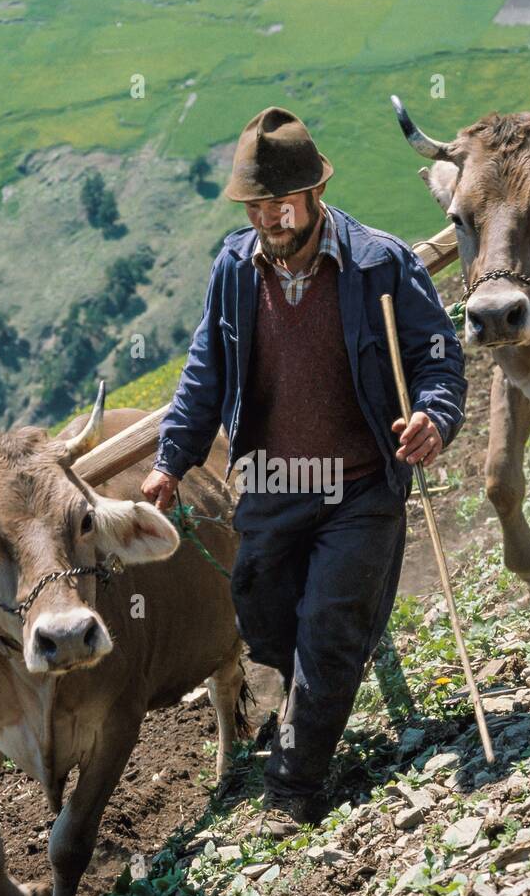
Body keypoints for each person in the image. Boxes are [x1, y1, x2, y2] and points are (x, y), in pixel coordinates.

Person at [142, 106, 466, 834]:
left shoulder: (380, 265)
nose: (268, 218)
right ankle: (315, 693)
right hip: (273, 486)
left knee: (329, 626)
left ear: (318, 192)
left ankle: (293, 788)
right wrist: (171, 461)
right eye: (255, 206)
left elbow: (439, 360)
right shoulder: (234, 269)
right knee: (264, 617)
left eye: (281, 203)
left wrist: (433, 417)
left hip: (360, 486)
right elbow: (203, 375)